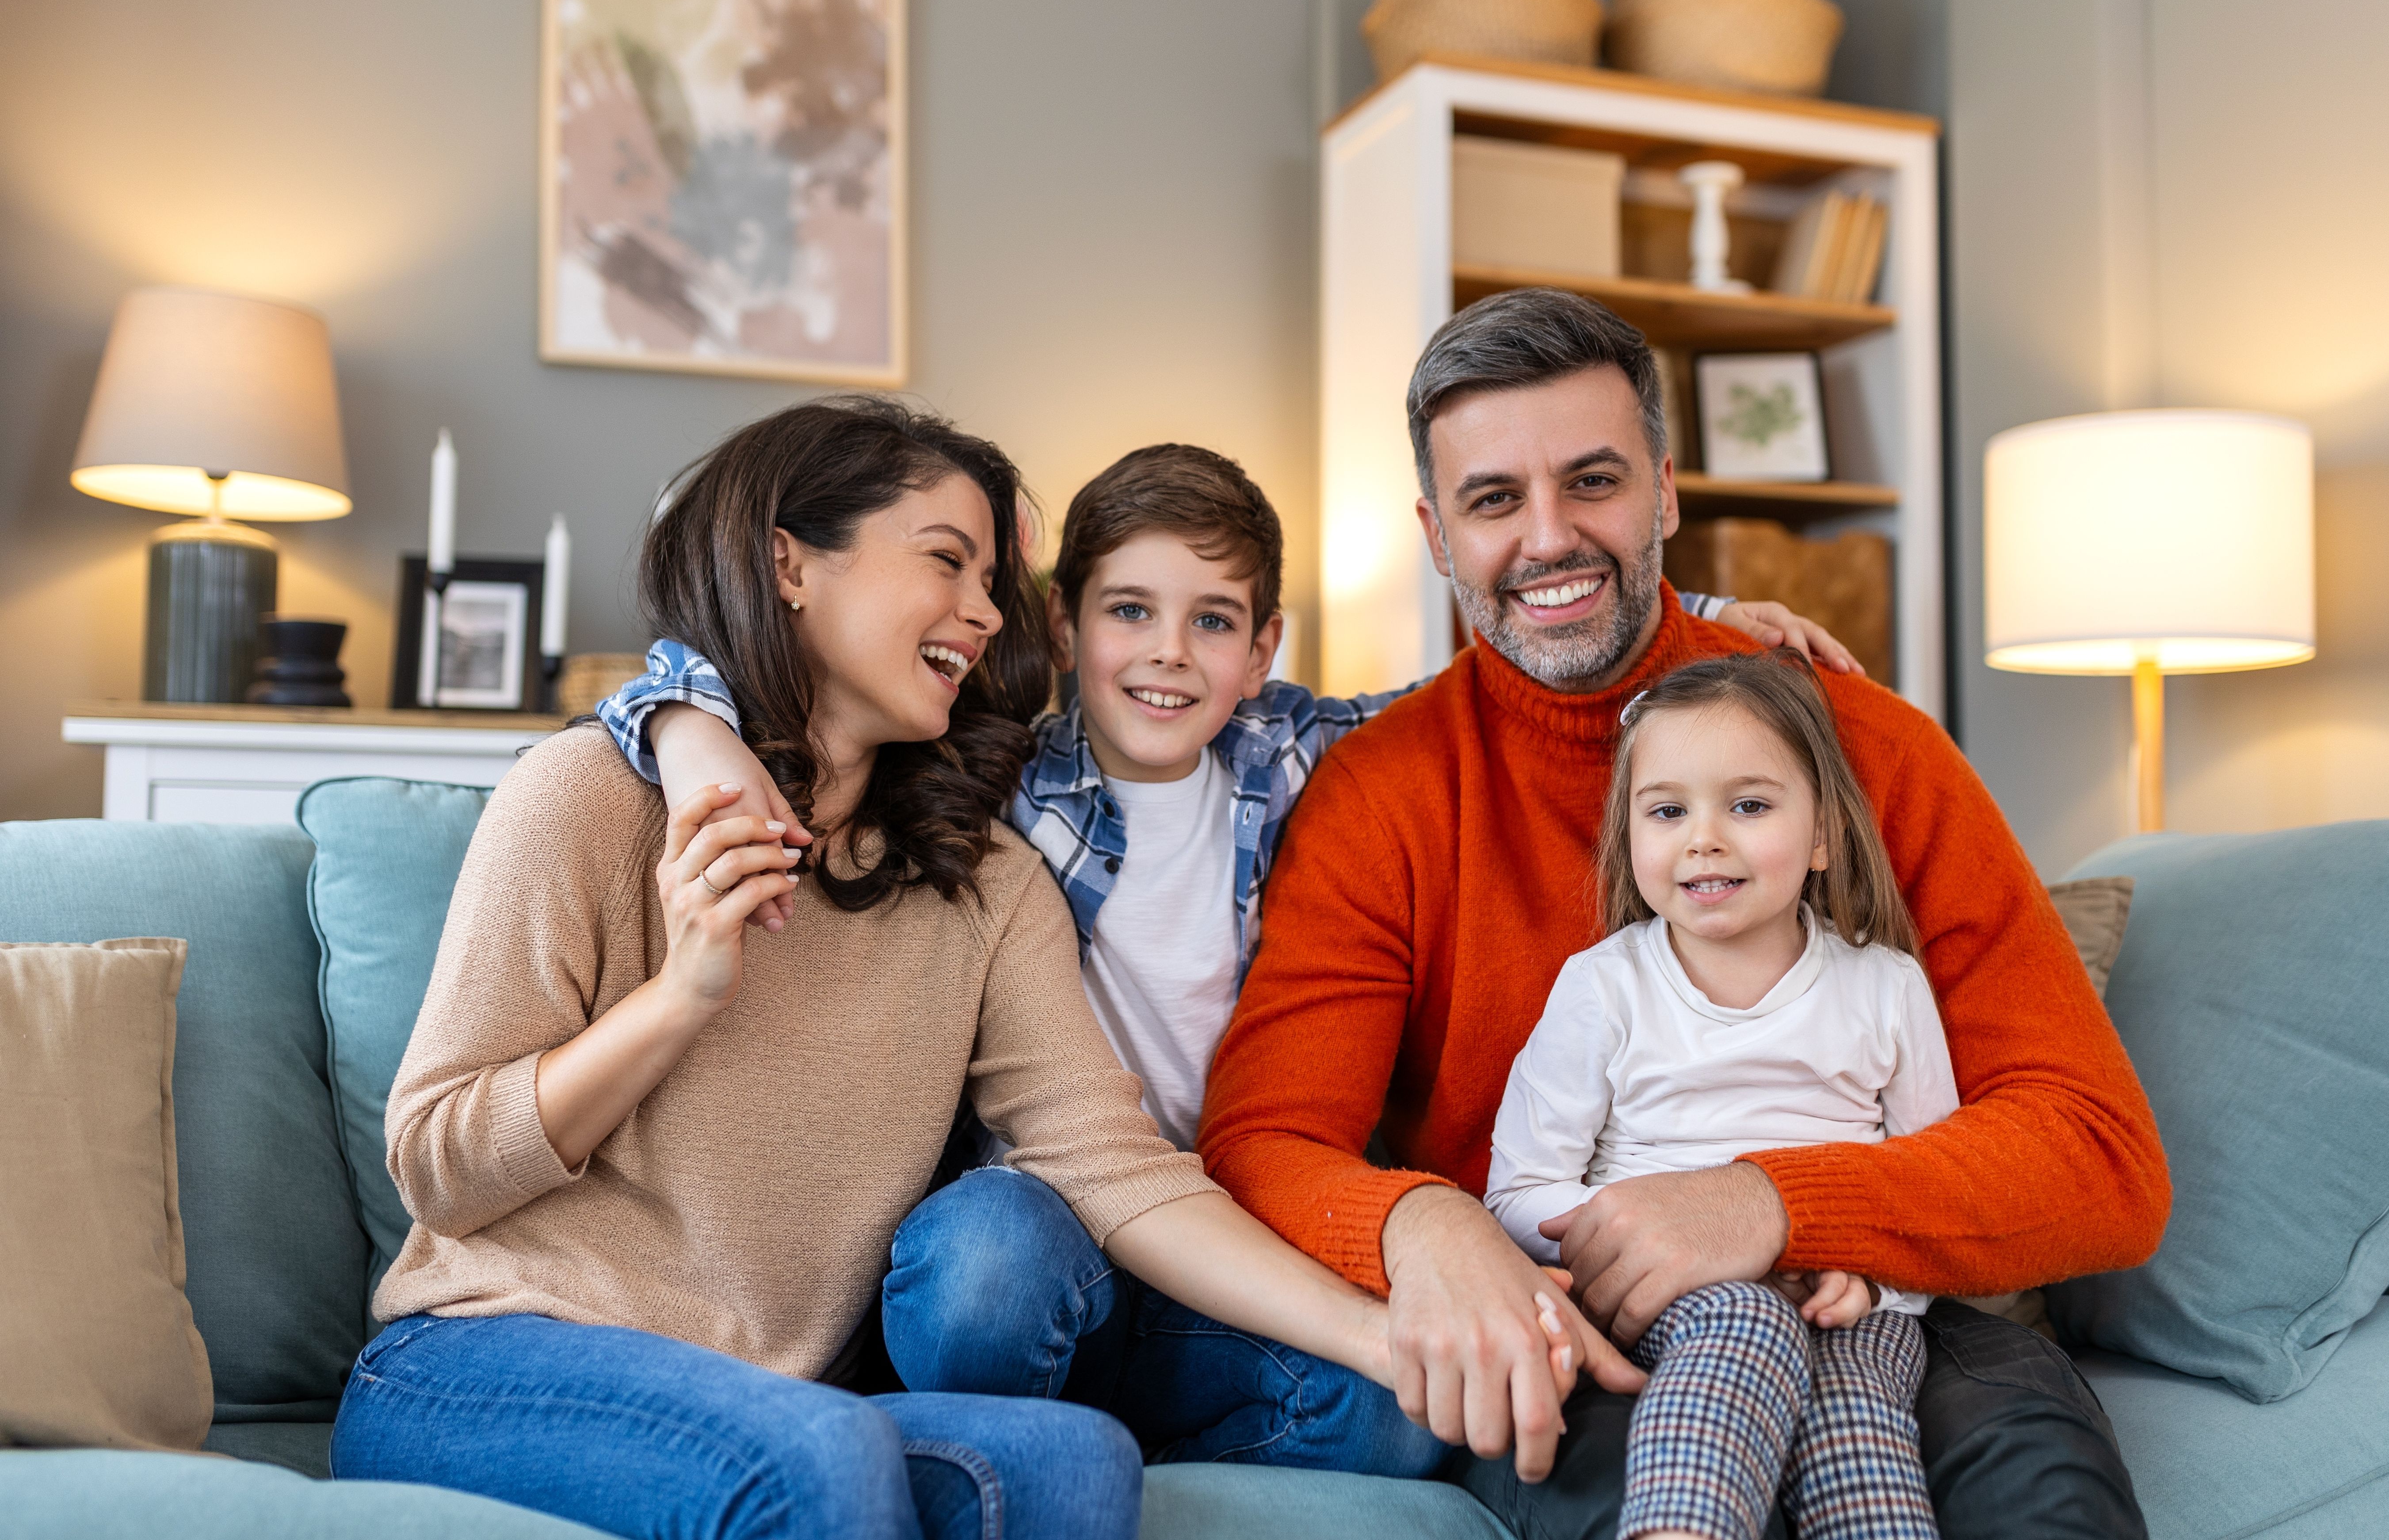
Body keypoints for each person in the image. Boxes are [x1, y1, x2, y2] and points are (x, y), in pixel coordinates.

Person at [595, 443, 1848, 1474]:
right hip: (1051, 1229)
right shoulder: (987, 775)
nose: (1167, 655)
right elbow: (698, 672)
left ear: (1261, 648)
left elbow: (1514, 685)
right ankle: (1016, 1446)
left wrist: (1700, 628)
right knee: (982, 1265)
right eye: (1128, 612)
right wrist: (683, 719)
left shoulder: (1303, 755)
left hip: (1243, 1243)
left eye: (1212, 623)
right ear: (1063, 621)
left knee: (1411, 1412)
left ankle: (1098, 1445)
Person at [330, 397, 1429, 1540]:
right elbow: (437, 1169)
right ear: (789, 565)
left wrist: (1376, 1338)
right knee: (824, 1452)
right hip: (485, 1361)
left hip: (789, 1400)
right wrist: (682, 996)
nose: (979, 610)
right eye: (947, 561)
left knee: (1073, 1460)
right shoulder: (593, 797)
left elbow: (1115, 1168)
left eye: (989, 579)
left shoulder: (981, 876)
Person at [1196, 286, 2170, 1536]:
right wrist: (1425, 1220)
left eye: (1590, 481)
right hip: (1596, 1325)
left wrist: (1765, 1200)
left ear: (1664, 493)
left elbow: (2099, 1157)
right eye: (1495, 501)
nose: (1548, 538)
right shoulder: (1382, 791)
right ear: (1440, 537)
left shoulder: (1866, 747)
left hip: (1886, 1317)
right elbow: (1262, 1140)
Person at [1488, 652, 1955, 1540]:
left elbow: (1933, 1187)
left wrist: (1871, 1278)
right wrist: (1645, 1232)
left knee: (1857, 1424)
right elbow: (1515, 1193)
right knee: (1742, 1321)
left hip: (1847, 1307)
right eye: (1667, 810)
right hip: (1673, 1300)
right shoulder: (1602, 987)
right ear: (1630, 837)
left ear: (1820, 835)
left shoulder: (1885, 988)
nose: (1703, 838)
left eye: (1747, 805)